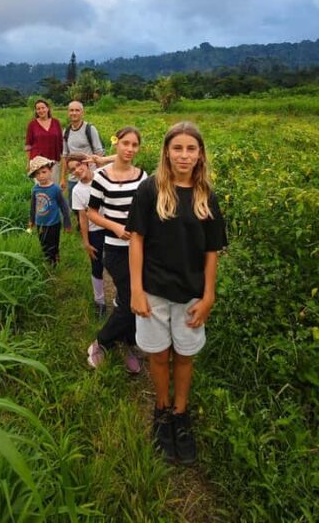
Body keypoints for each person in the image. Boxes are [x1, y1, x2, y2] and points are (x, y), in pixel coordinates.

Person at [127, 122, 227, 465]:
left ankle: (181, 413)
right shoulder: (150, 190)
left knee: (184, 355)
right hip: (153, 291)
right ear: (166, 152)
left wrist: (209, 296)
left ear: (200, 155)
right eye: (177, 148)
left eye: (191, 149)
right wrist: (136, 290)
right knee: (158, 355)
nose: (184, 155)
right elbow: (136, 240)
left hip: (191, 294)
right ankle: (162, 409)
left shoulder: (206, 196)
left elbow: (212, 251)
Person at [86, 126, 147, 374]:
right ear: (117, 144)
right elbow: (91, 212)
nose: (130, 149)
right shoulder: (101, 176)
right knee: (132, 299)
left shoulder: (142, 177)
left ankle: (129, 342)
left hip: (141, 248)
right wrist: (115, 227)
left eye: (134, 145)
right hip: (115, 249)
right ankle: (102, 341)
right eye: (125, 143)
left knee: (133, 298)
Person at [67, 152, 107, 318]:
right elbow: (82, 218)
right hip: (95, 231)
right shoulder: (77, 191)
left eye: (78, 165)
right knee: (97, 266)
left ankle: (123, 299)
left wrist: (101, 160)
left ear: (86, 163)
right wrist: (86, 241)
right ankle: (100, 301)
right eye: (72, 169)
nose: (77, 170)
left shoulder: (102, 175)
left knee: (119, 264)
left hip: (113, 228)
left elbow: (122, 159)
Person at [60, 101, 105, 208]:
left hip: (90, 175)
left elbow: (99, 153)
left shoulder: (90, 129)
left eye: (77, 110)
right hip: (73, 176)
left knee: (94, 206)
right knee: (75, 206)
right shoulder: (66, 132)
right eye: (71, 110)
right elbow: (65, 156)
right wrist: (63, 178)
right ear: (68, 112)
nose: (74, 113)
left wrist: (101, 176)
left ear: (82, 113)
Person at [28, 156, 71, 266]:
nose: (41, 176)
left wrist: (67, 223)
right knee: (43, 243)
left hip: (53, 223)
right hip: (40, 223)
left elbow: (63, 206)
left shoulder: (55, 189)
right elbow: (33, 206)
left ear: (50, 171)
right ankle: (48, 260)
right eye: (37, 174)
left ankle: (54, 260)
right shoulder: (35, 189)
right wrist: (31, 220)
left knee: (53, 243)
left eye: (44, 172)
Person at [25, 99, 63, 184]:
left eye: (43, 108)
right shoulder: (32, 125)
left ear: (48, 108)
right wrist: (28, 163)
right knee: (41, 186)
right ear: (36, 111)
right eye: (38, 109)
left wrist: (63, 158)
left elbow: (61, 141)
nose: (41, 110)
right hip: (38, 161)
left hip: (54, 159)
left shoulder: (56, 122)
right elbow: (28, 145)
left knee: (54, 185)